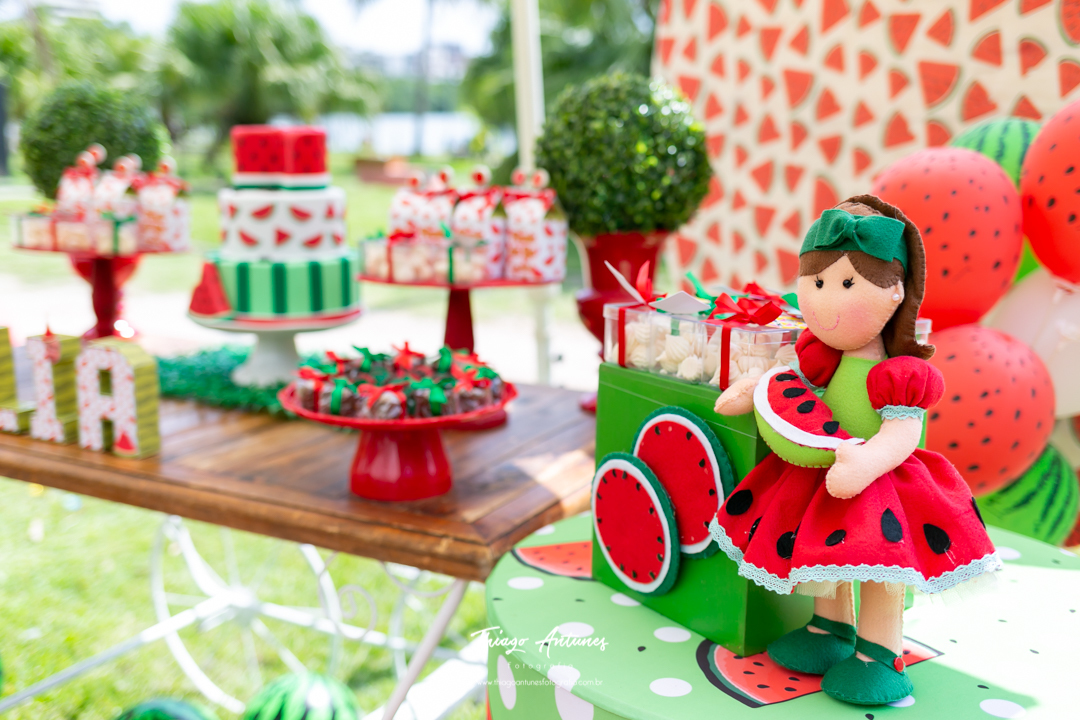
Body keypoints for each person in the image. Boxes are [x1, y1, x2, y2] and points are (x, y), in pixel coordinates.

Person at [710, 195, 1001, 705]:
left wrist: (867, 460)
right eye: (816, 283)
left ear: (894, 295)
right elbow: (796, 392)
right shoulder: (819, 356)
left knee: (880, 569)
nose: (823, 301)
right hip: (825, 467)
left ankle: (880, 655)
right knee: (827, 557)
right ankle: (830, 630)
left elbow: (903, 433)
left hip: (881, 479)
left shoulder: (899, 373)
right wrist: (756, 387)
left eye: (846, 285)